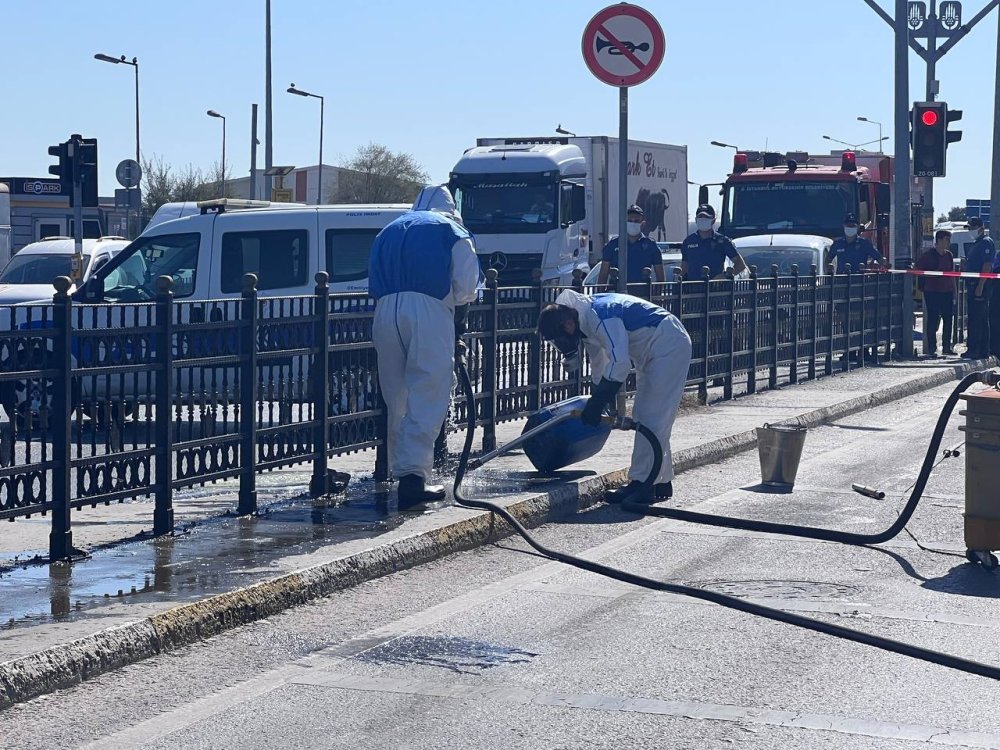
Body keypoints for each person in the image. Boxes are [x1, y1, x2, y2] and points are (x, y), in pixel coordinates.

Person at [369, 185, 482, 509]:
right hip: (429, 309)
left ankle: (398, 471)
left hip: (385, 310)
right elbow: (466, 287)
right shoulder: (451, 229)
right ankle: (413, 479)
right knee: (428, 390)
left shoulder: (389, 229)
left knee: (397, 395)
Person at [536, 289, 692, 504]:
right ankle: (659, 480)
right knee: (649, 416)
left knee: (651, 416)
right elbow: (599, 363)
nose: (561, 344)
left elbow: (619, 362)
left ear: (568, 326)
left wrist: (599, 401)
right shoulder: (584, 321)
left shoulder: (601, 317)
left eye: (559, 339)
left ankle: (642, 484)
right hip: (655, 349)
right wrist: (597, 399)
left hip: (668, 344)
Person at [597, 204, 664, 285]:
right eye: (630, 221)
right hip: (617, 295)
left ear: (642, 224)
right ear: (624, 223)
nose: (633, 223)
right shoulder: (613, 245)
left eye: (636, 221)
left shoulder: (651, 246)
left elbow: (660, 278)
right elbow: (603, 276)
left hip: (643, 295)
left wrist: (658, 296)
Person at [916, 230, 957, 357]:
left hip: (947, 292)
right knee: (933, 319)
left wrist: (954, 292)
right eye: (946, 240)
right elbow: (918, 269)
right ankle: (932, 348)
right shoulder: (928, 255)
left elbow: (952, 274)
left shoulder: (949, 255)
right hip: (932, 291)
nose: (948, 242)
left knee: (948, 319)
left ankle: (946, 347)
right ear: (939, 240)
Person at [680, 204, 746, 281]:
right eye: (700, 217)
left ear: (713, 220)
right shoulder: (688, 241)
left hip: (715, 290)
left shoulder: (722, 241)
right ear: (696, 220)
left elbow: (740, 265)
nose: (703, 219)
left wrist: (724, 276)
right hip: (692, 290)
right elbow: (684, 268)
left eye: (706, 217)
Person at [963, 216, 995, 360]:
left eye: (972, 228)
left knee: (977, 318)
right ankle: (981, 350)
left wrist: (980, 285)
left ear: (981, 228)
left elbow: (987, 266)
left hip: (979, 285)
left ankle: (976, 349)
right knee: (978, 317)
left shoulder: (986, 243)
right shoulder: (977, 243)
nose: (970, 230)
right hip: (973, 284)